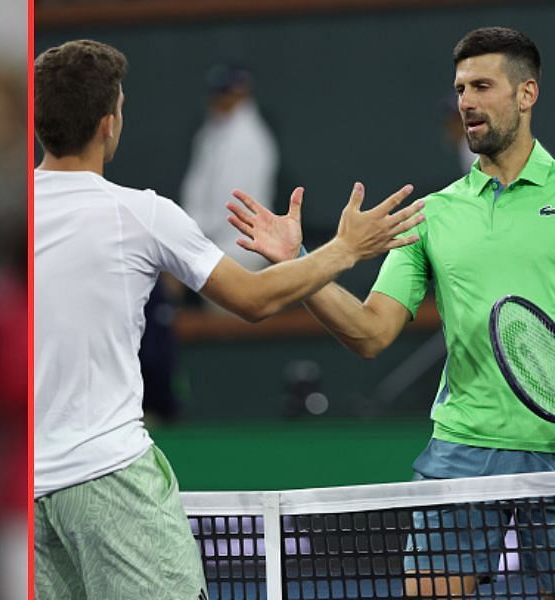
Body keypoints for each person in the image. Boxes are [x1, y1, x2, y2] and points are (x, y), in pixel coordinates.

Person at [33, 39, 424, 598]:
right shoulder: (139, 214)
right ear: (108, 123)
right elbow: (254, 300)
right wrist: (343, 249)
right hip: (108, 480)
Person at [227, 26, 555, 599]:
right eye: (460, 89)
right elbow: (370, 333)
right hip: (463, 449)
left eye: (482, 86)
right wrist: (301, 262)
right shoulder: (430, 215)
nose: (467, 103)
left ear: (527, 94)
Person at [181, 63, 279, 274]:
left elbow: (228, 203)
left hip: (237, 251)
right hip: (216, 247)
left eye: (224, 93)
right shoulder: (214, 131)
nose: (216, 99)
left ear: (240, 94)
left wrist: (189, 239)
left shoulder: (246, 140)